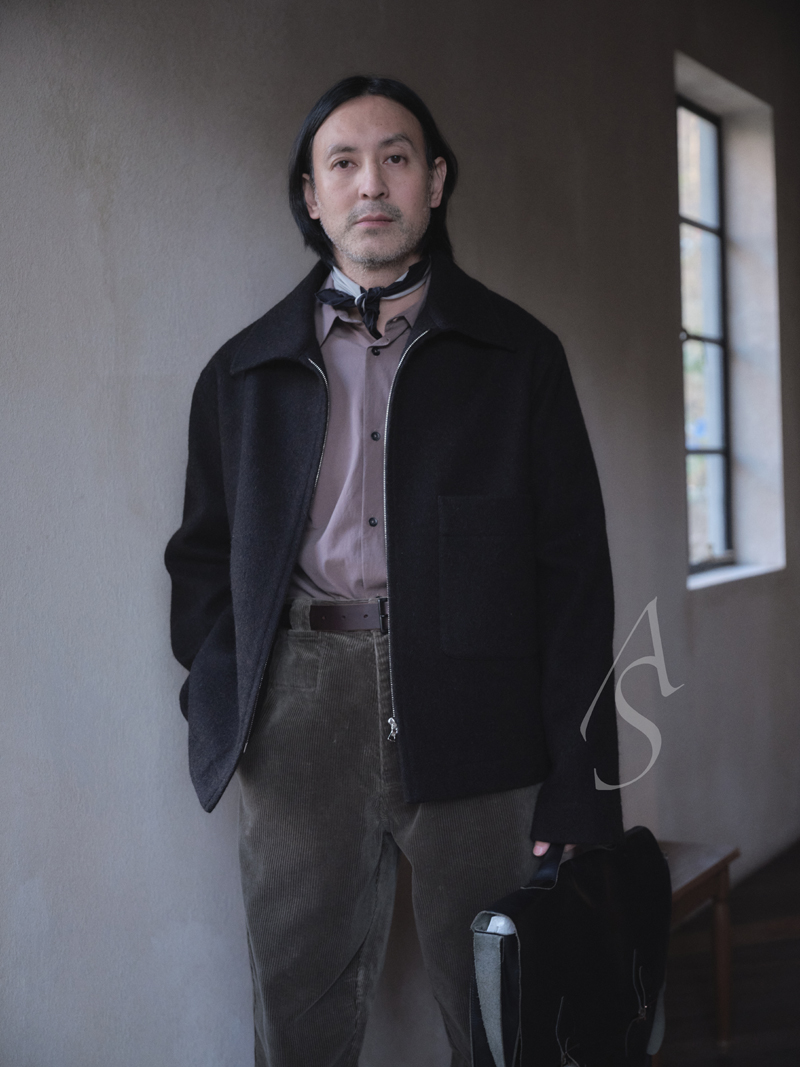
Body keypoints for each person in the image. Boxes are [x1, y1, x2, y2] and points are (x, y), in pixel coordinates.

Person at [165, 75, 623, 1067]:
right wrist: (225, 704)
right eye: (343, 162)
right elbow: (201, 561)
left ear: (436, 181)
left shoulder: (518, 356)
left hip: (481, 712)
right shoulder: (241, 374)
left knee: (503, 1015)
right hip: (297, 714)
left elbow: (574, 579)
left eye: (396, 158)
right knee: (297, 1020)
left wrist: (581, 785)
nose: (370, 183)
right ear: (311, 194)